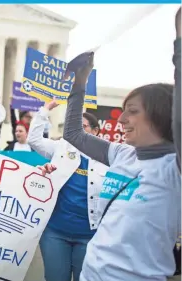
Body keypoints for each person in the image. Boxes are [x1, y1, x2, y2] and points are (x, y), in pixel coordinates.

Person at [60, 9, 181, 281]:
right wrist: (79, 83)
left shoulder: (174, 168)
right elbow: (73, 133)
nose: (123, 119)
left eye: (133, 111)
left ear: (162, 114)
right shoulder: (122, 154)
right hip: (91, 274)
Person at [28, 98, 108, 281]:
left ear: (96, 131)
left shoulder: (109, 158)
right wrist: (45, 110)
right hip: (55, 233)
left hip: (89, 236)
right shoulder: (61, 148)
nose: (78, 131)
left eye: (84, 126)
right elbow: (34, 139)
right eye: (75, 126)